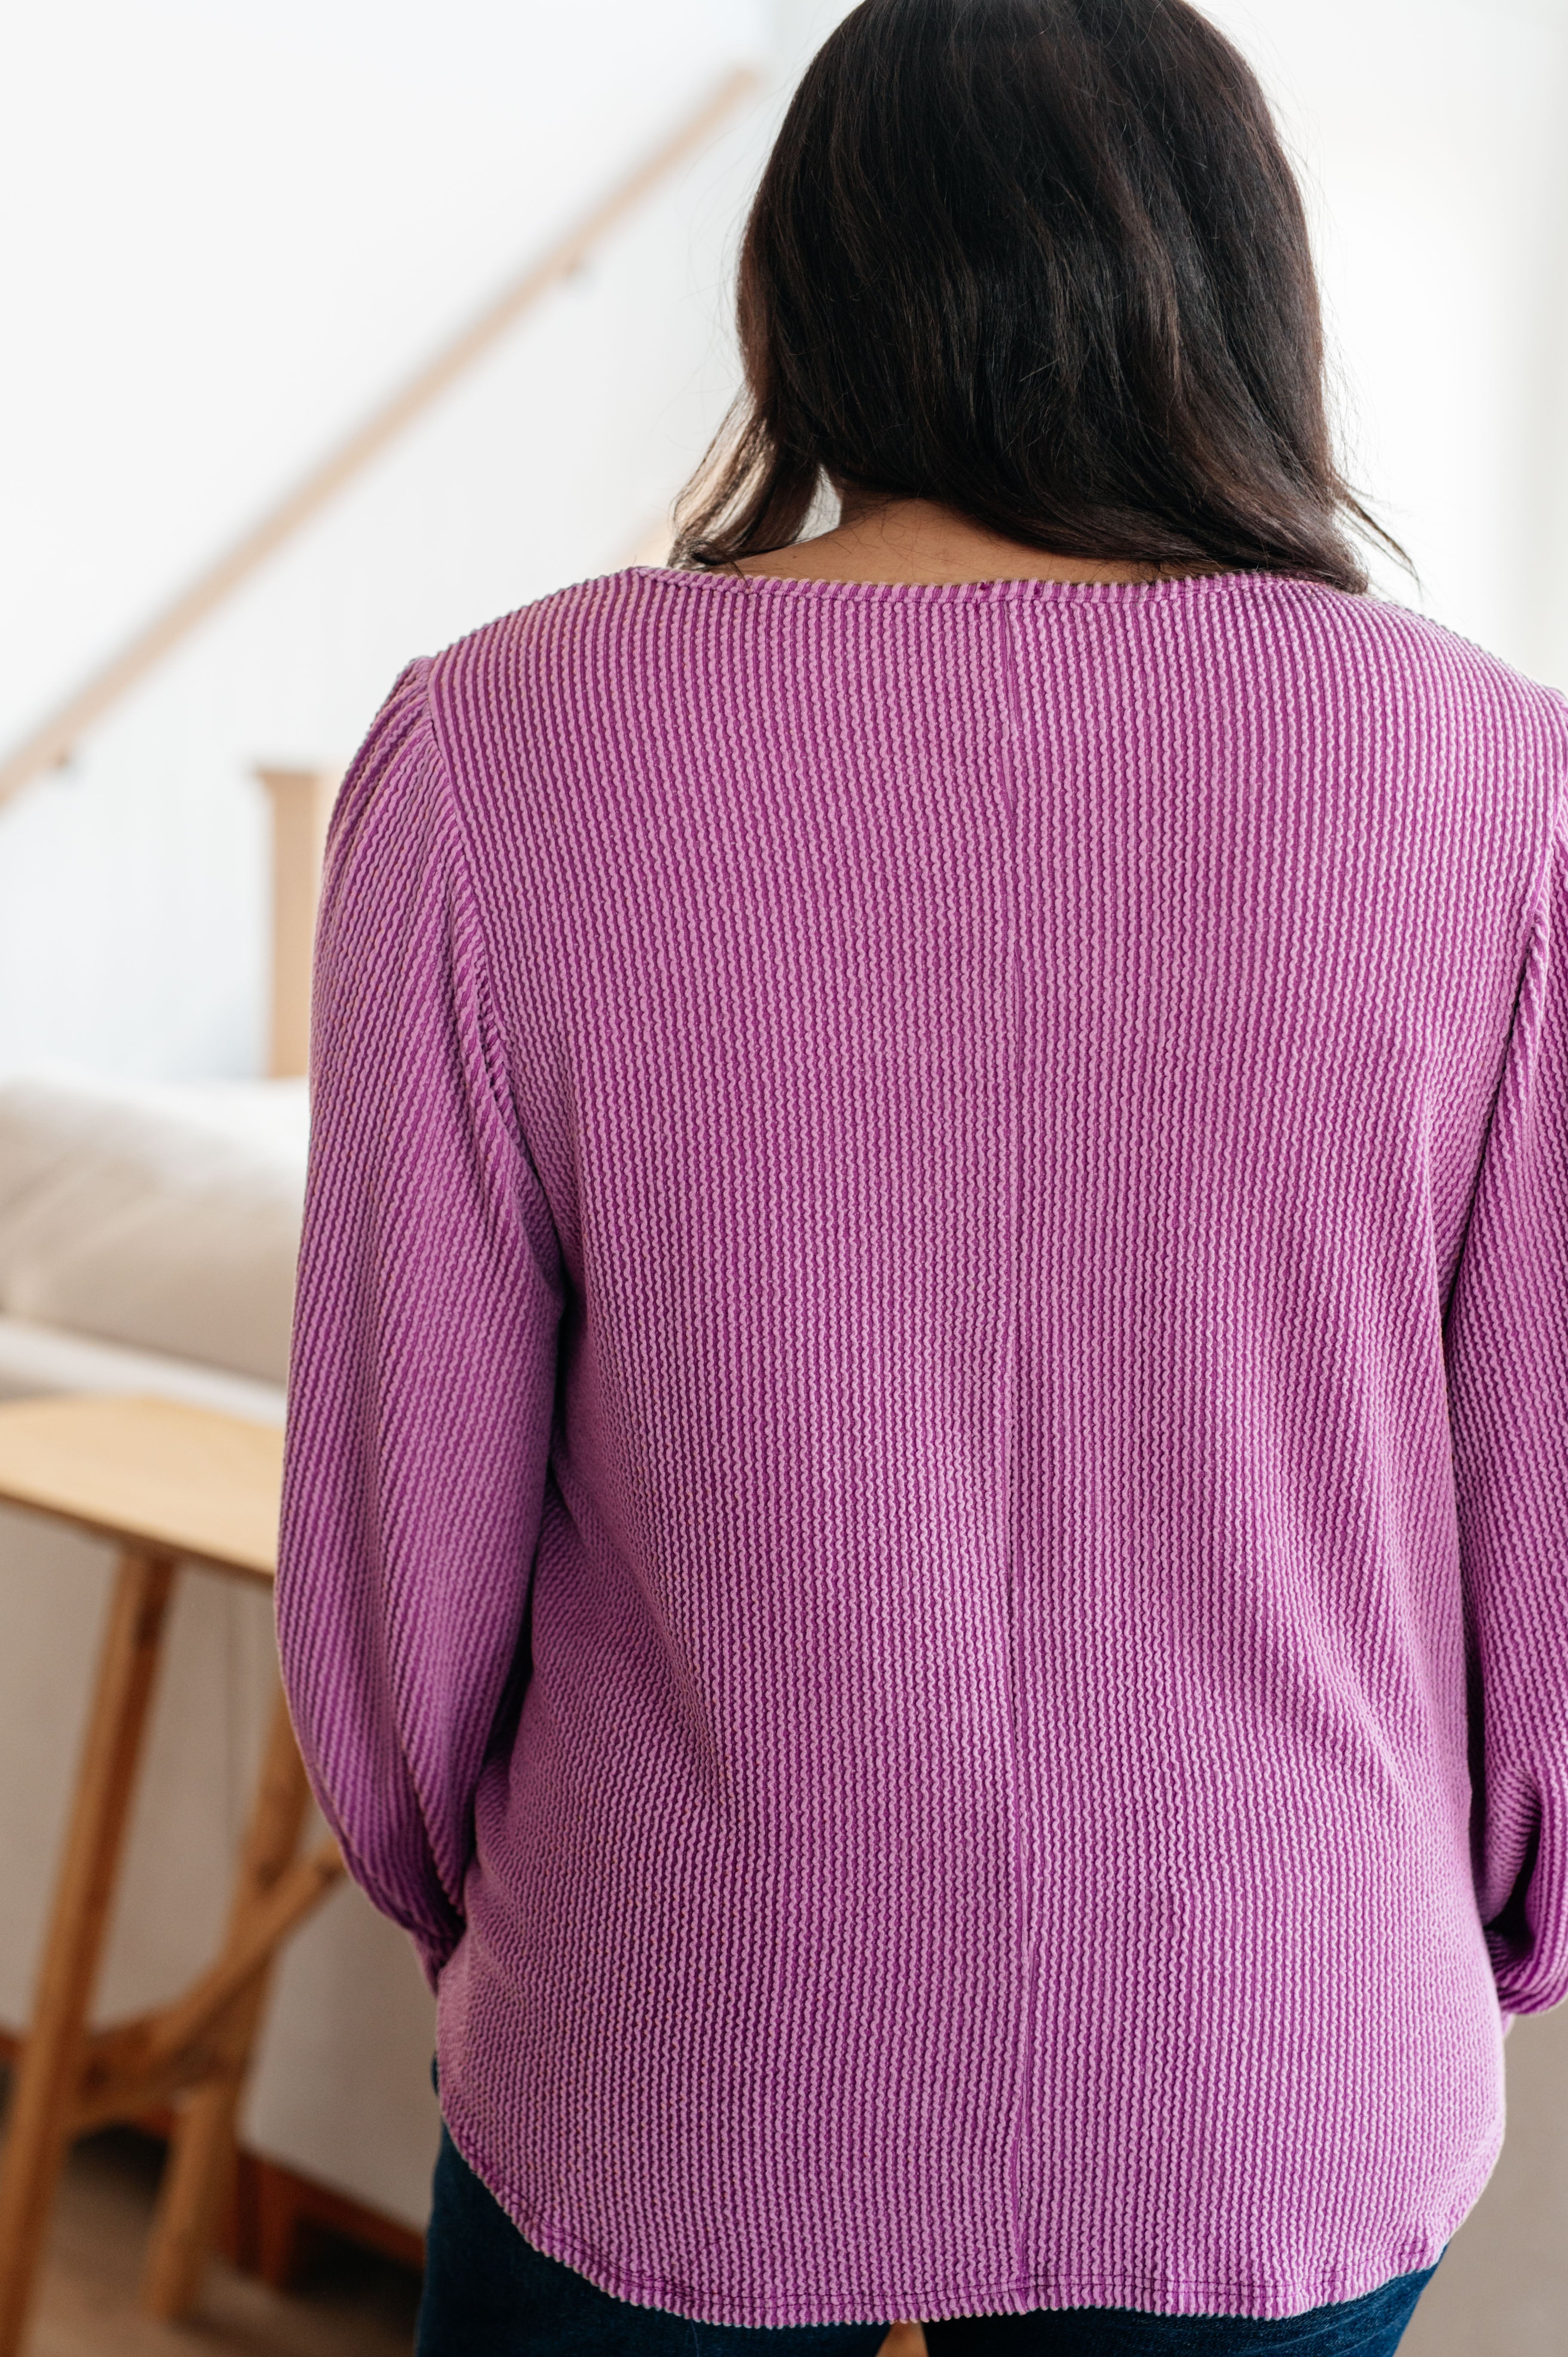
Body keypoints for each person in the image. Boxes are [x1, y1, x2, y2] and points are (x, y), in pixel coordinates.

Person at [274, 1, 1568, 2351]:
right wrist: (1445, 1929)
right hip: (1269, 2038)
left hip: (676, 2014)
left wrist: (493, 1899)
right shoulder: (1493, 779)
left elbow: (393, 1530)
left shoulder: (496, 747)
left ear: (803, 291)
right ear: (1244, 292)